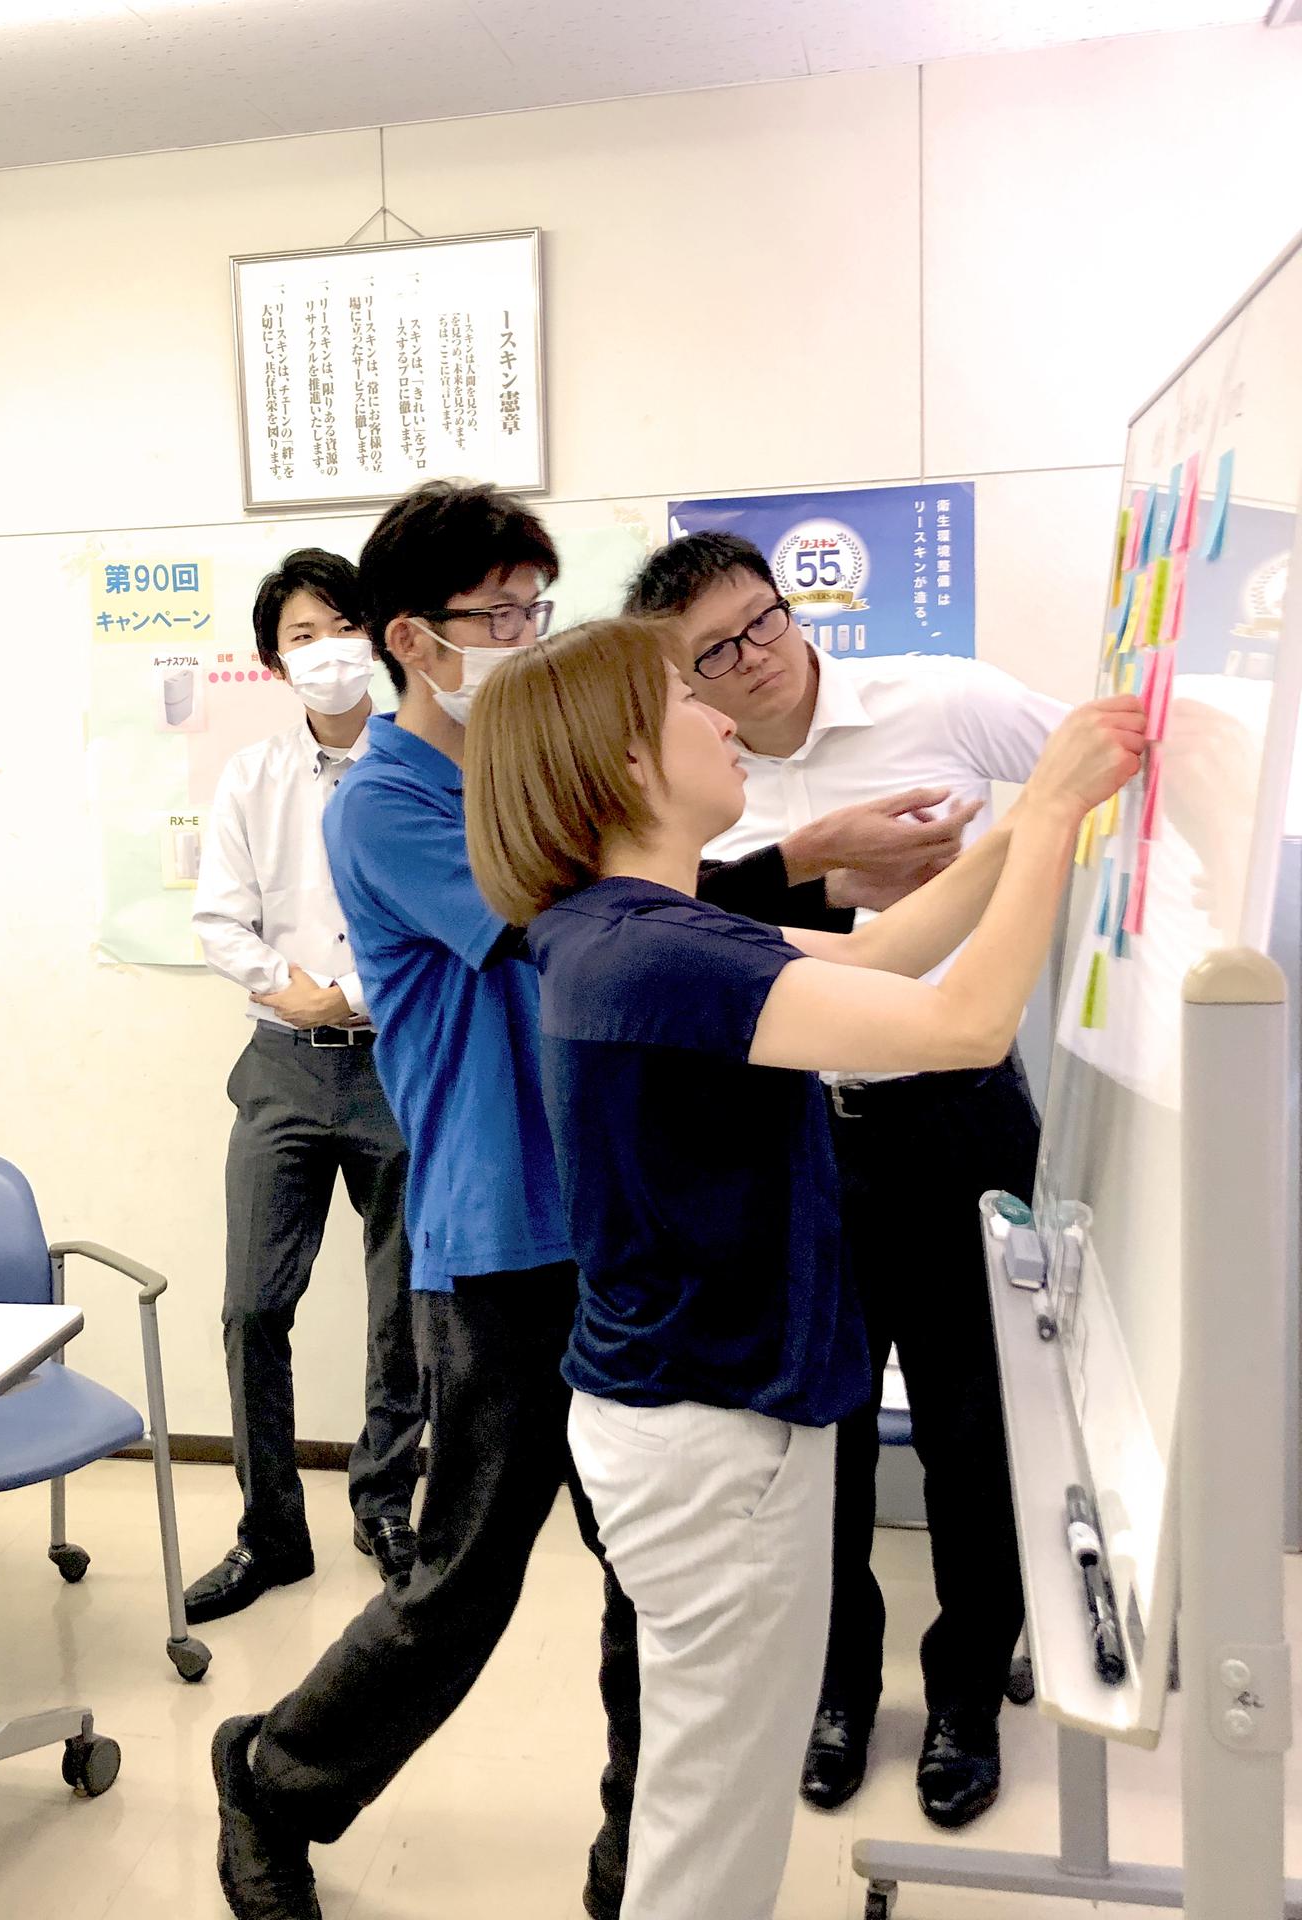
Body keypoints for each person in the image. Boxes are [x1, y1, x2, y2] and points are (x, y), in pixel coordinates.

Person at [206, 481, 1000, 1920]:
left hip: (620, 1224)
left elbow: (663, 916)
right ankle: (273, 1778)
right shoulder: (391, 800)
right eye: (499, 614)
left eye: (537, 607)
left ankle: (638, 1870)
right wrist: (811, 861)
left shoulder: (535, 769)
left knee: (657, 1587)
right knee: (465, 1576)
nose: (527, 636)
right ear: (412, 640)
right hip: (506, 1236)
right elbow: (597, 931)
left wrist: (840, 871)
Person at [460, 614, 1141, 1918]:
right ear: (624, 758)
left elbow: (881, 957)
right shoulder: (656, 952)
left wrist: (1025, 827)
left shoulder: (631, 926)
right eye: (685, 700)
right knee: (712, 1829)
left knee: (705, 1795)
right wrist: (1053, 808)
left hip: (686, 1416)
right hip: (710, 1438)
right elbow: (964, 1022)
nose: (724, 717)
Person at [627, 531, 1068, 1825]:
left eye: (760, 621)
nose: (753, 659)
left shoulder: (943, 699)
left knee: (976, 1427)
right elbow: (673, 926)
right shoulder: (702, 786)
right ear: (682, 683)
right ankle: (839, 1689)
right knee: (818, 1430)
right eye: (713, 654)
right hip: (801, 1140)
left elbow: (1091, 793)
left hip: (963, 1119)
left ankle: (969, 1691)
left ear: (789, 603)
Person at [183, 550, 425, 1624]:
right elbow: (219, 918)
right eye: (301, 636)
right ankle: (271, 1532)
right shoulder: (251, 776)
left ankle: (386, 1504)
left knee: (403, 1308)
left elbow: (444, 914)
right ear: (274, 662)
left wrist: (352, 996)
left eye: (342, 626)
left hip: (399, 1062)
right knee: (251, 1307)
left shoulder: (424, 767)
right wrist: (301, 996)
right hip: (282, 1065)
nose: (327, 650)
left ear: (377, 637)